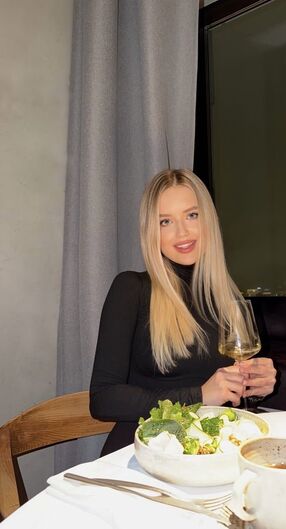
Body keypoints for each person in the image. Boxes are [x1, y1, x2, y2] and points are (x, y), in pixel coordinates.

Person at [90, 169, 276, 455]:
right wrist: (199, 396)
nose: (182, 232)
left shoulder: (227, 297)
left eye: (192, 215)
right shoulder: (131, 289)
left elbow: (229, 395)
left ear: (208, 220)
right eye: (165, 221)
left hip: (209, 450)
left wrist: (255, 385)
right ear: (152, 232)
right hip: (146, 453)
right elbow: (103, 399)